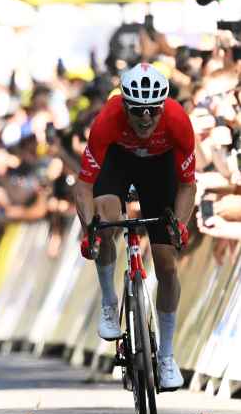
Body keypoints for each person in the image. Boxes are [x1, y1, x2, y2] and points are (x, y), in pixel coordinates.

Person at [74, 63, 195, 391]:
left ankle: (167, 356)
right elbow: (83, 186)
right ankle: (110, 303)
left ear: (163, 107)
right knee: (107, 219)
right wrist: (90, 231)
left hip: (160, 169)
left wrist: (180, 227)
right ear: (125, 106)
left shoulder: (178, 121)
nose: (145, 118)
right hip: (118, 161)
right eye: (138, 110)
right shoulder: (107, 121)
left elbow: (187, 186)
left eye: (153, 111)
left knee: (167, 263)